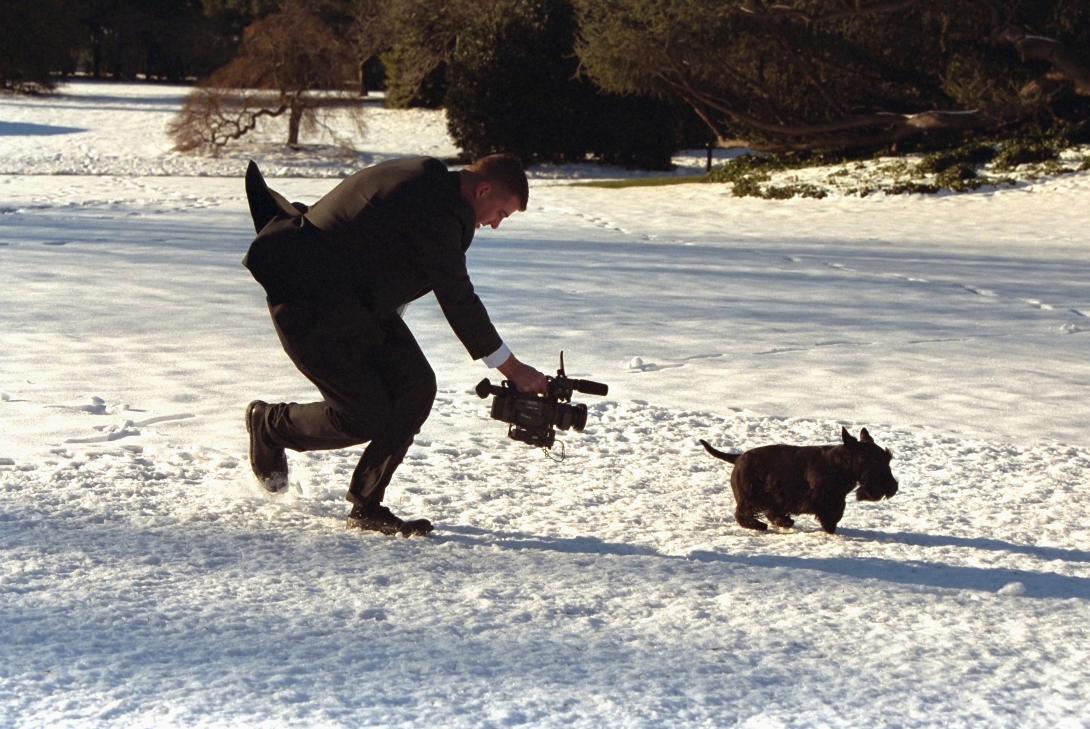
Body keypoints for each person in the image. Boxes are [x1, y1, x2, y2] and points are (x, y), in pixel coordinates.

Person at [242, 154, 548, 536]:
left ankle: (367, 505)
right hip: (308, 305)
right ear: (483, 189)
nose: (496, 223)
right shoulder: (437, 206)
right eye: (501, 211)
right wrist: (513, 368)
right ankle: (270, 425)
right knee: (362, 416)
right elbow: (457, 296)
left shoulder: (428, 180)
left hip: (356, 304)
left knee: (415, 386)